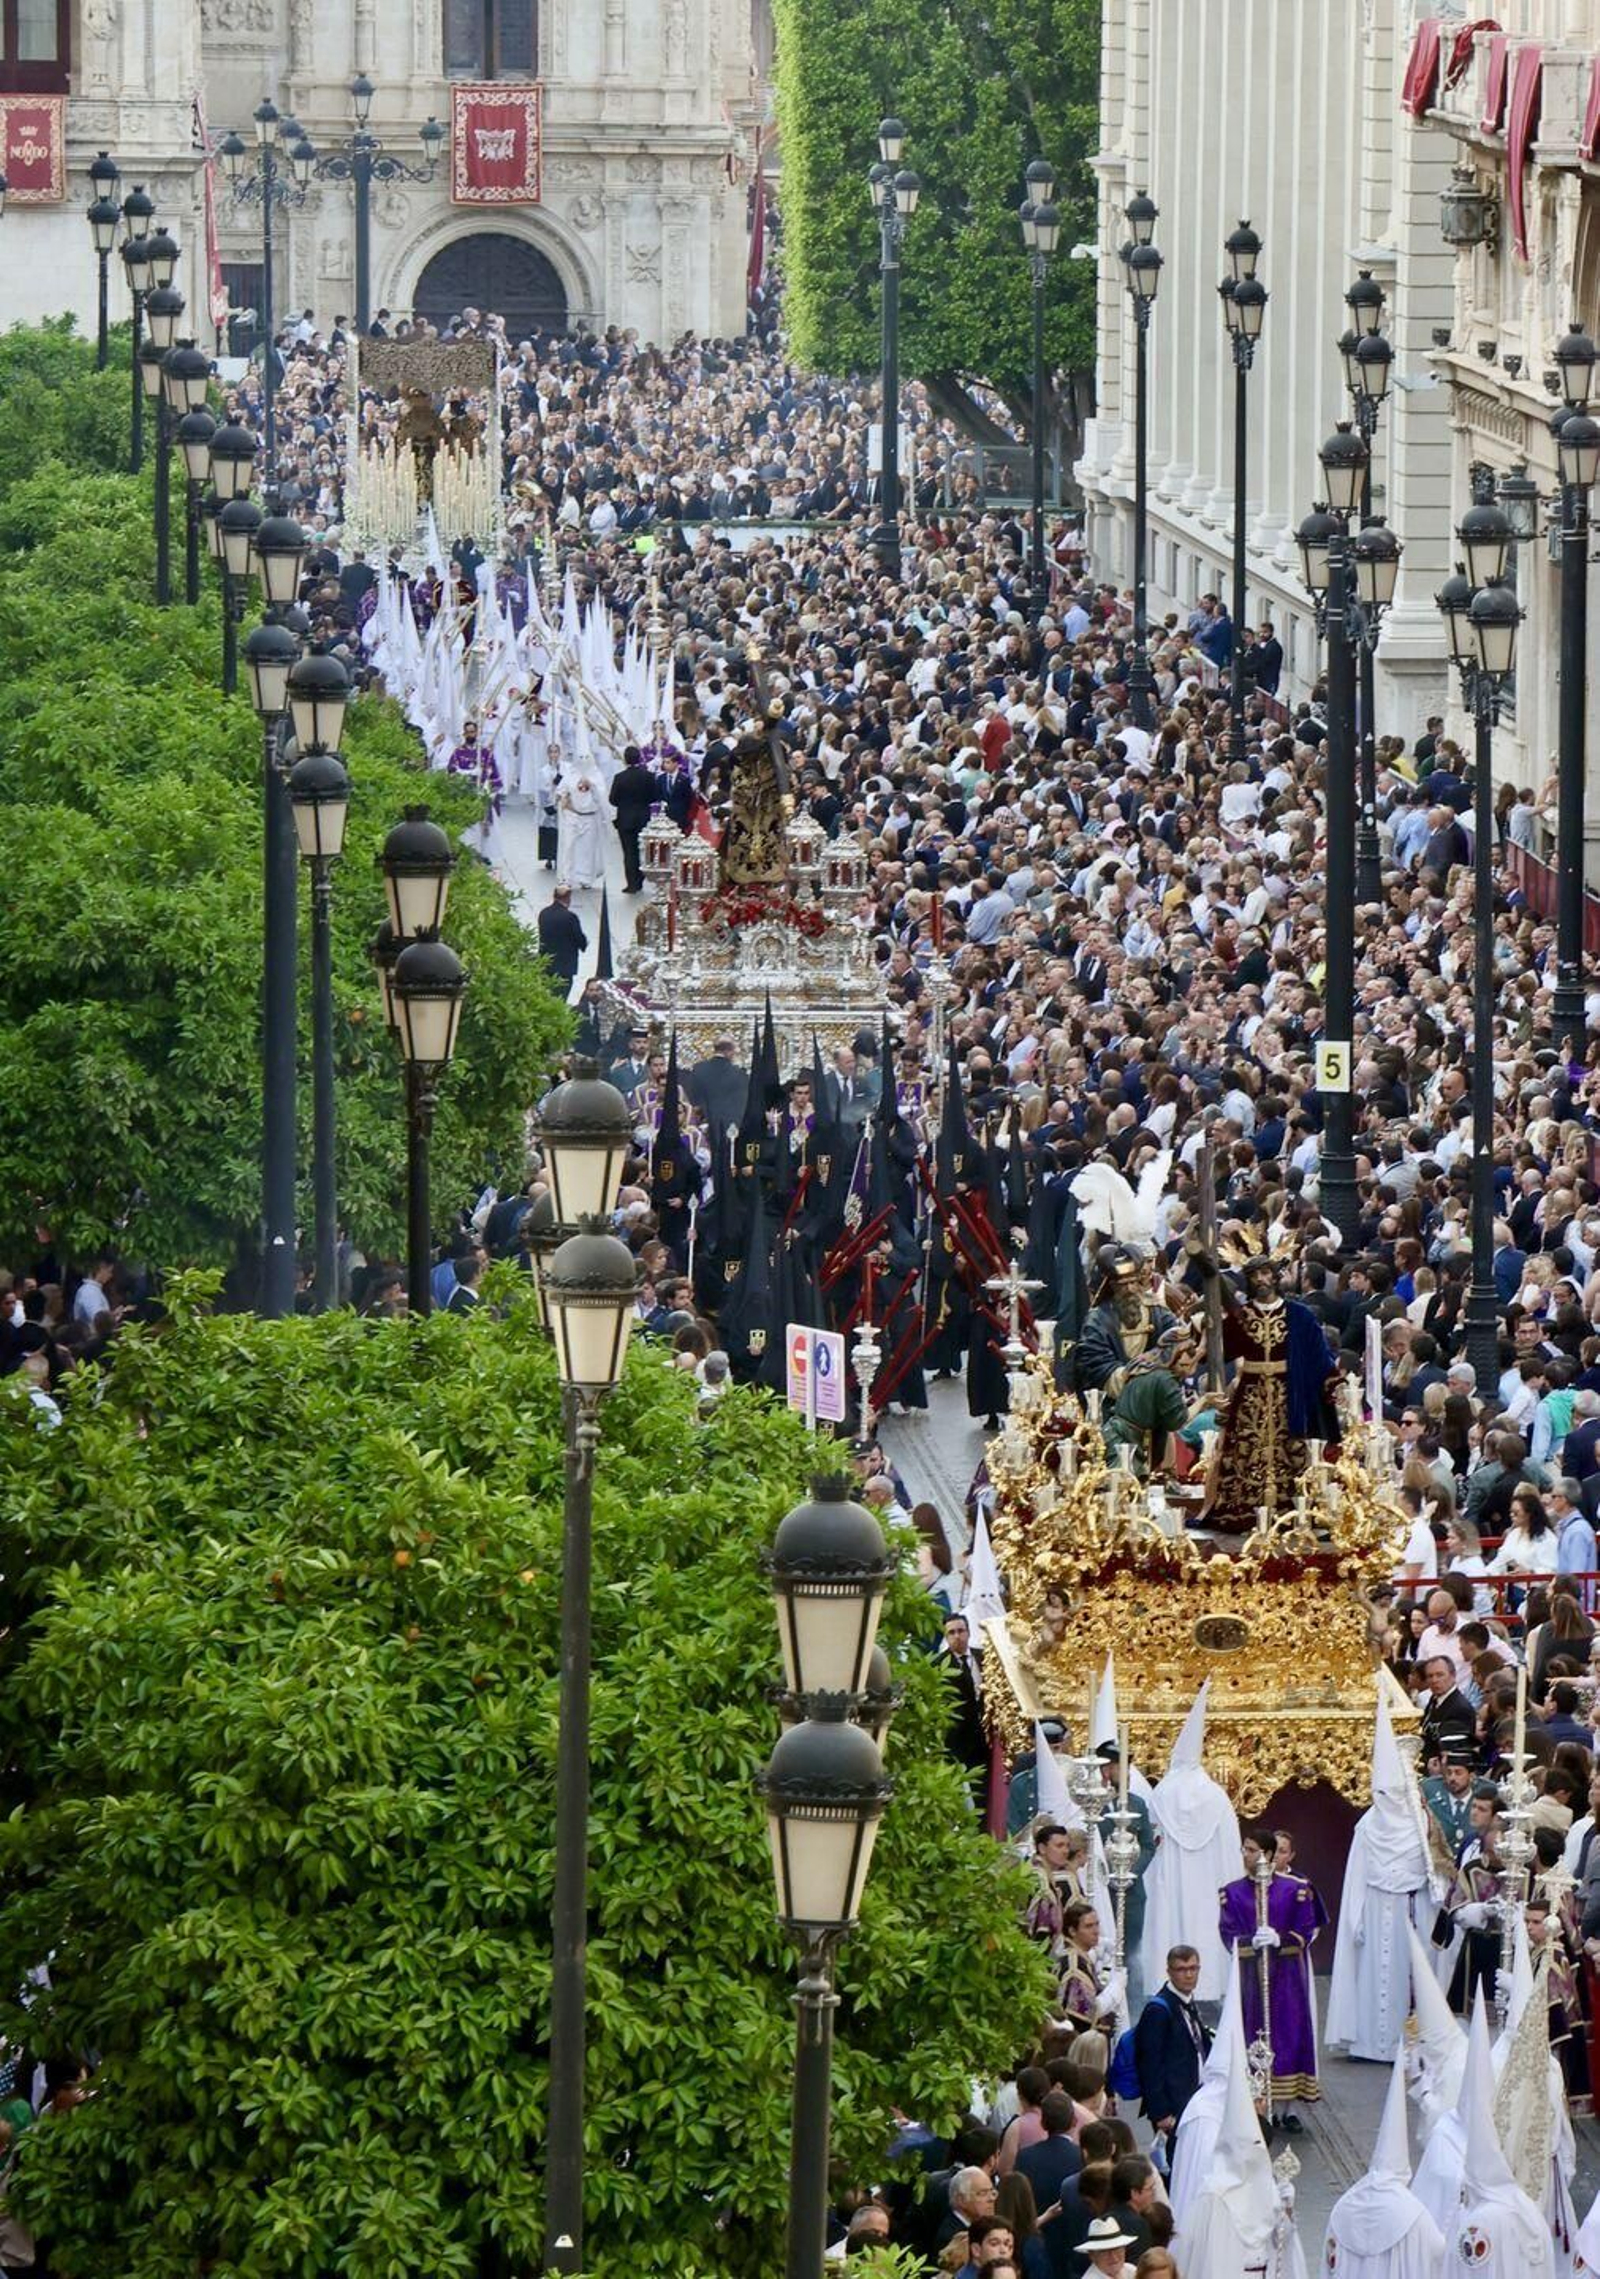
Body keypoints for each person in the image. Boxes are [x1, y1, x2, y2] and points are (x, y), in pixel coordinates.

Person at [1326, 1690, 1430, 2062]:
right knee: (1372, 1976)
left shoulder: (1421, 1823)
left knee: (1404, 1975)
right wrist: (1355, 1919)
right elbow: (1355, 1878)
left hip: (1408, 1910)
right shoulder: (1368, 1826)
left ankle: (1406, 2042)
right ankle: (1369, 2042)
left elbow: (1433, 1871)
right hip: (1373, 1907)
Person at [1219, 1823, 1325, 2124]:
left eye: (1251, 1850)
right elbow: (1228, 1932)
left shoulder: (1295, 1889)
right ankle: (1256, 2103)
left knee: (1288, 2034)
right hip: (1251, 1979)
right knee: (1252, 2033)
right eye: (1245, 1849)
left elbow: (1305, 1930)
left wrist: (1281, 1939)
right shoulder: (1232, 1893)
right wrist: (1248, 1942)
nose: (1245, 1854)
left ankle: (1288, 2107)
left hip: (1287, 1978)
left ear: (1266, 1854)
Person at [1142, 1681, 1241, 2001]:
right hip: (1210, 1887)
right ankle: (1211, 1986)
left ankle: (1168, 1982)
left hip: (1171, 1886)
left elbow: (1152, 1845)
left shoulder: (1162, 1794)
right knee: (1207, 1928)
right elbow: (1231, 1851)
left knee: (1170, 1926)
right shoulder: (1216, 1796)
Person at [1132, 1946, 1211, 2142]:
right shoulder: (1158, 2010)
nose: (1189, 1975)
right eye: (1181, 1969)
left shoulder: (1187, 2001)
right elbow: (1149, 2064)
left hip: (1194, 2098)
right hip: (1173, 2107)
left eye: (1193, 1968)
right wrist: (1161, 2112)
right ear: (1169, 1971)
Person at [608, 743, 657, 893]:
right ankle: (641, 878)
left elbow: (612, 799)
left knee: (629, 852)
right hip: (643, 818)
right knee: (643, 850)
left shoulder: (620, 777)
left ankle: (632, 883)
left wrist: (624, 804)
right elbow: (654, 796)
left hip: (625, 819)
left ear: (625, 759)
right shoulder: (648, 776)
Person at [535, 885, 587, 990]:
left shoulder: (544, 913)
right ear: (568, 898)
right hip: (564, 965)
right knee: (562, 993)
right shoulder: (570, 917)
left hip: (546, 962)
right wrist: (584, 944)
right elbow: (579, 938)